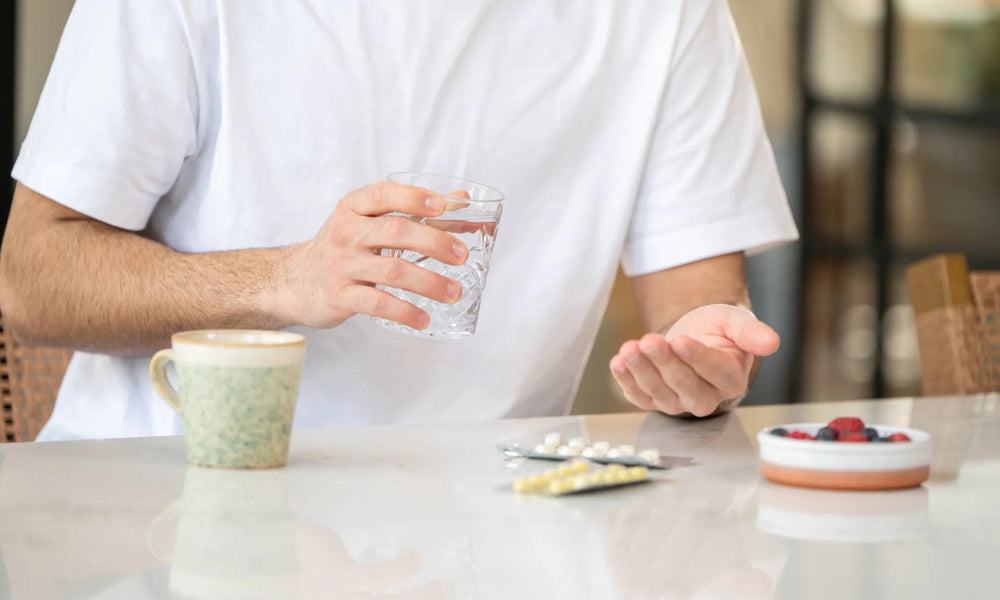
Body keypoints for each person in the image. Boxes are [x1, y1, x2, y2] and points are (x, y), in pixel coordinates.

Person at [0, 0, 798, 441]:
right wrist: (285, 278)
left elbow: (695, 308)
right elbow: (32, 281)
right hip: (168, 517)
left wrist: (704, 360)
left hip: (489, 528)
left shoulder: (669, 16)